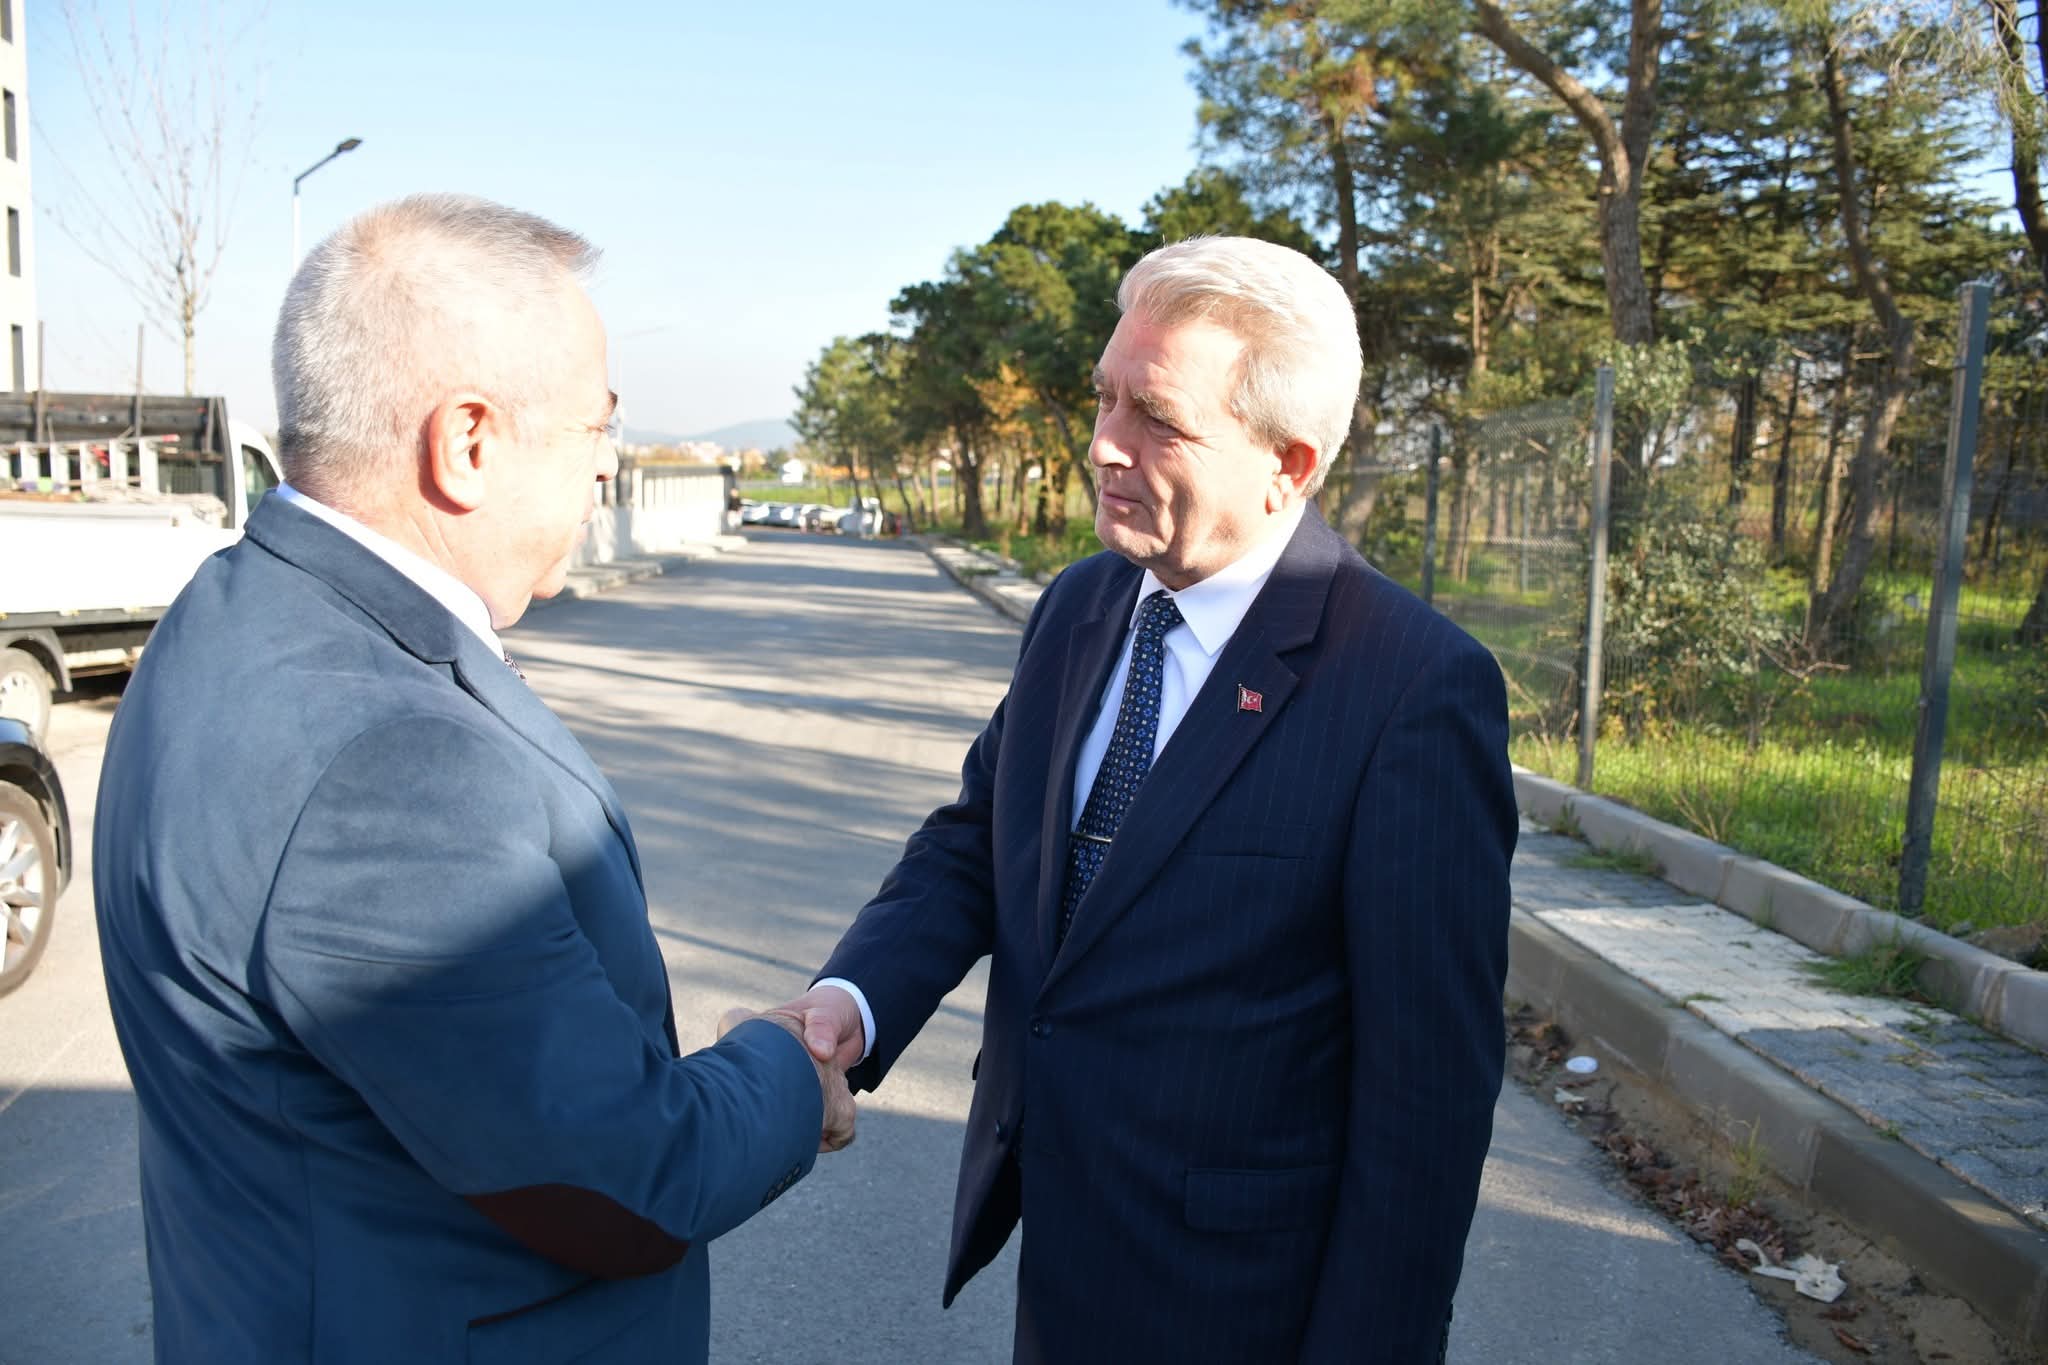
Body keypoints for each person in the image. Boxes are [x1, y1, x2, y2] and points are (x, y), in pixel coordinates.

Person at [94, 194, 852, 1364]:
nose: (606, 468)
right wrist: (785, 1072)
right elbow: (627, 1180)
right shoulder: (390, 766)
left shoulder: (232, 609)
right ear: (469, 443)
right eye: (597, 426)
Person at [771, 236, 1515, 1362]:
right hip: (1061, 1246)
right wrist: (853, 1001)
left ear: (1289, 461)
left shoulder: (1411, 687)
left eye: (1157, 419)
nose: (1102, 445)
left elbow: (1426, 1100)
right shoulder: (1081, 605)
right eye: (1103, 398)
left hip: (1239, 1299)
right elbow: (981, 841)